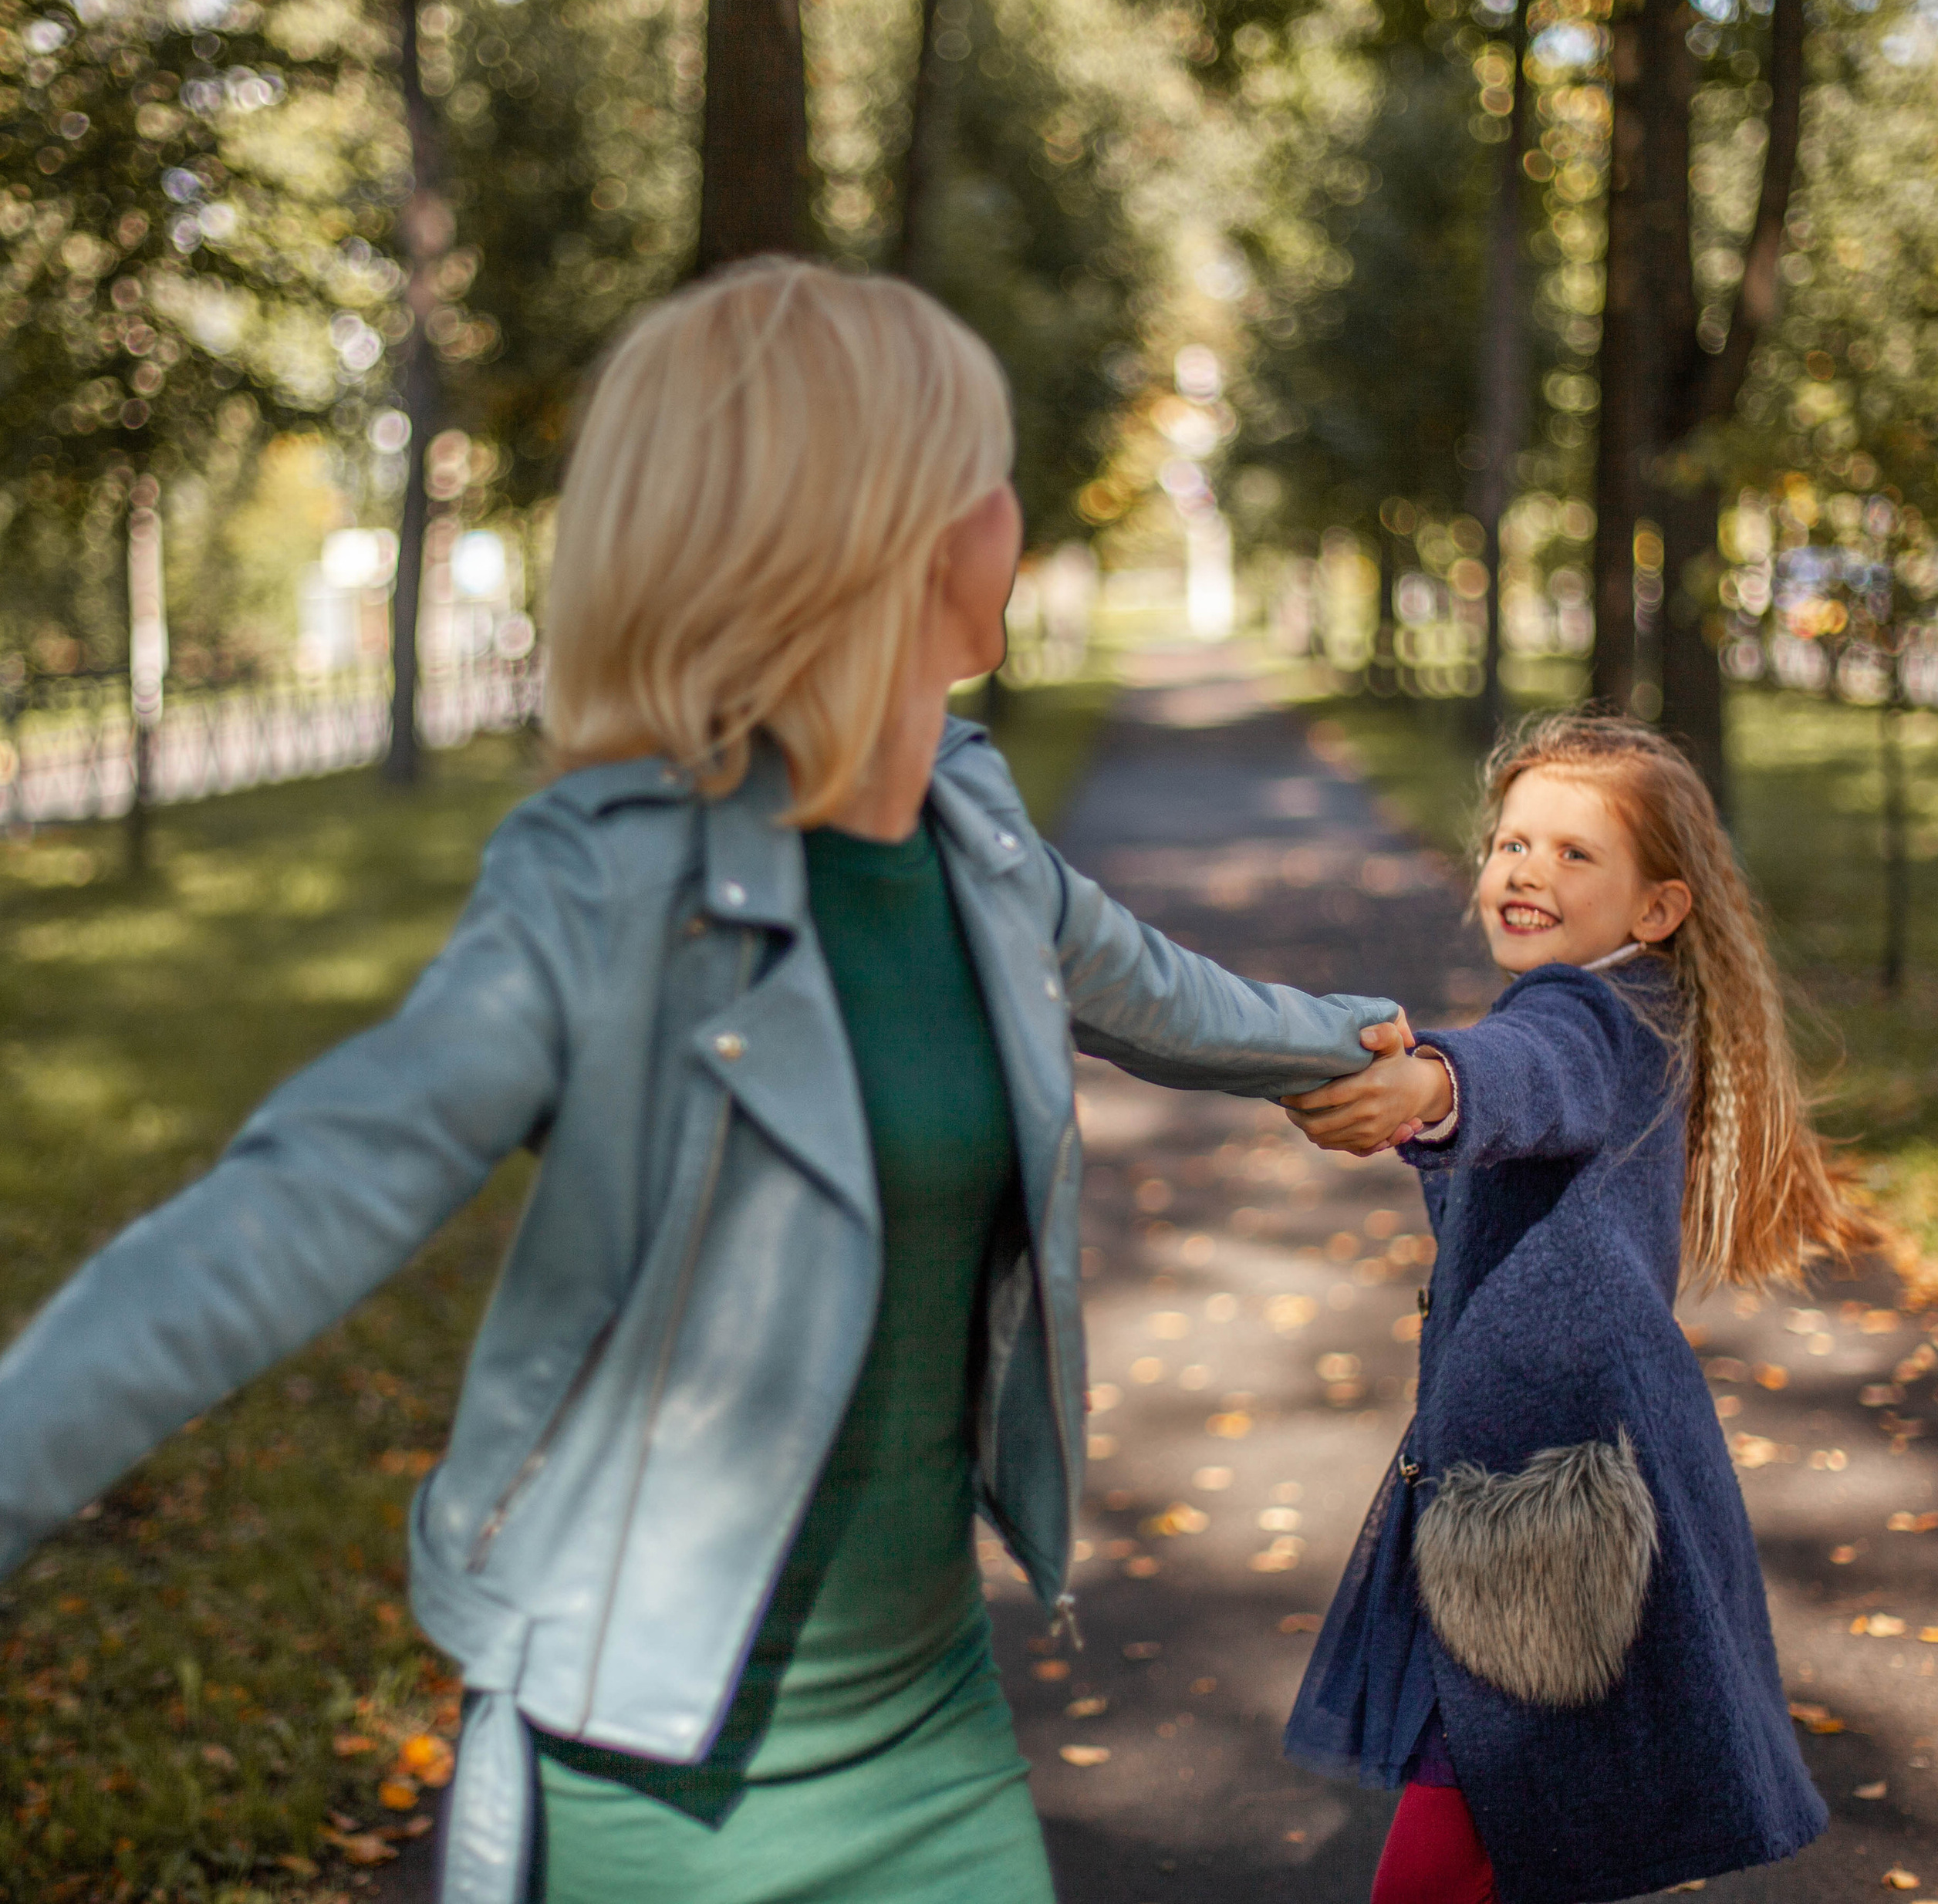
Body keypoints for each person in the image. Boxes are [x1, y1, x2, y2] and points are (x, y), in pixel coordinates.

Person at [0, 259, 1404, 1904]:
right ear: (883, 527)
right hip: (646, 1777)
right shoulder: (610, 888)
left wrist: (1366, 1040)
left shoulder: (967, 833)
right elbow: (291, 1205)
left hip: (931, 1720)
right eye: (989, 471)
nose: (1016, 512)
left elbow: (1158, 993)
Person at [1278, 712, 1875, 1904]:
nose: (1527, 871)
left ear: (1657, 909)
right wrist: (1431, 1091)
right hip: (1557, 1463)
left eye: (1573, 853)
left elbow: (1525, 1075)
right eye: (1511, 844)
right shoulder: (1640, 1003)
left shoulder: (1591, 1015)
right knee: (1532, 1794)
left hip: (1546, 1498)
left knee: (1488, 1786)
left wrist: (1432, 1084)